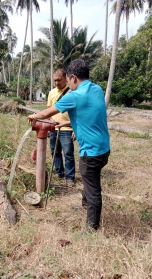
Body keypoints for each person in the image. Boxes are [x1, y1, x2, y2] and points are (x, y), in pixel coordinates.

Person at [28, 59, 110, 231]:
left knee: (93, 189)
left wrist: (35, 116)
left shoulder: (74, 95)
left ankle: (91, 228)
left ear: (72, 77)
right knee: (89, 181)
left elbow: (47, 112)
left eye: (67, 80)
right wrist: (64, 125)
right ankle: (84, 205)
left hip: (91, 152)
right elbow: (88, 117)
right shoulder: (96, 89)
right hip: (103, 148)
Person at [47, 69, 76, 186]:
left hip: (67, 129)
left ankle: (70, 178)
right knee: (55, 152)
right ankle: (59, 172)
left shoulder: (72, 93)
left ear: (66, 78)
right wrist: (50, 120)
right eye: (55, 81)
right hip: (53, 128)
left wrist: (75, 129)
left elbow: (77, 114)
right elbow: (49, 110)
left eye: (59, 80)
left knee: (68, 153)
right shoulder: (51, 93)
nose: (57, 83)